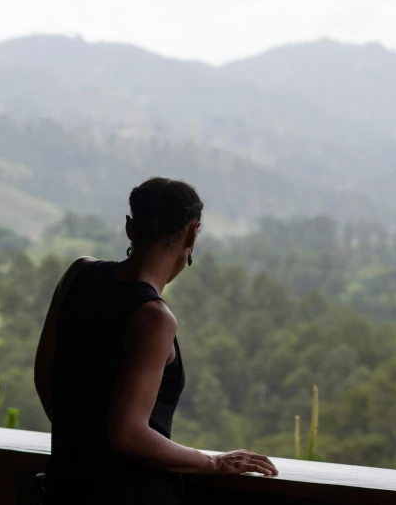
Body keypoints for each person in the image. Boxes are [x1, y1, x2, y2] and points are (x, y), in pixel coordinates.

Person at [34, 177, 278, 504]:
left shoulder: (77, 275)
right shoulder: (153, 319)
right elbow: (127, 434)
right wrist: (214, 463)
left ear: (130, 228)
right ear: (193, 232)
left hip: (65, 486)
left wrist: (83, 446)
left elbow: (45, 379)